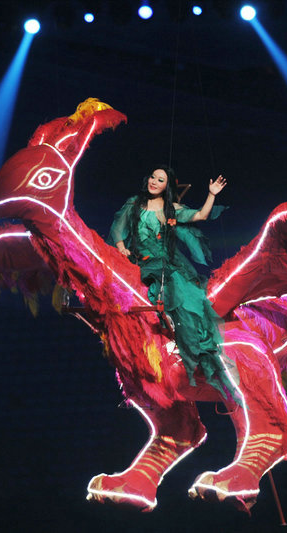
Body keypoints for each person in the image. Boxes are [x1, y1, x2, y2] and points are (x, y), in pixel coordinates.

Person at [109, 166, 235, 399]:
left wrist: (212, 194)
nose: (154, 182)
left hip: (167, 263)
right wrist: (121, 247)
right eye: (153, 177)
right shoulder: (134, 204)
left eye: (161, 180)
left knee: (183, 292)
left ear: (167, 186)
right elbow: (118, 228)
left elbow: (200, 215)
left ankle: (185, 340)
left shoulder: (171, 209)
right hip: (139, 262)